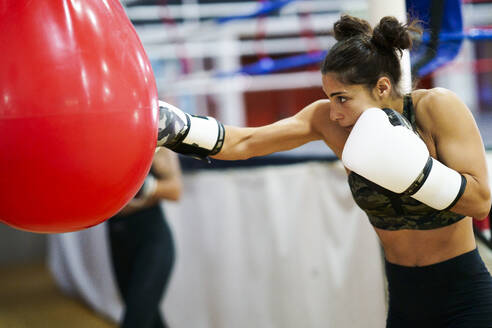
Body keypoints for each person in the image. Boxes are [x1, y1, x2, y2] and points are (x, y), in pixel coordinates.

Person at [156, 14, 492, 327]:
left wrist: (415, 172)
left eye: (343, 98)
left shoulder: (436, 107)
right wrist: (177, 127)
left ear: (382, 87)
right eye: (329, 97)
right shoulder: (325, 121)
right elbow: (245, 143)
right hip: (404, 299)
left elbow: (479, 202)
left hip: (465, 295)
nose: (333, 112)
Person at [108, 148, 182, 328]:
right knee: (151, 321)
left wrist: (147, 187)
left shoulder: (151, 140)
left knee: (134, 322)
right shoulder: (99, 144)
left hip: (152, 242)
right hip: (118, 242)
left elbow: (175, 190)